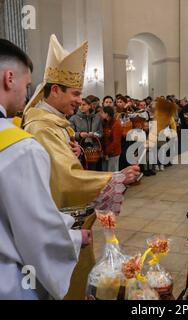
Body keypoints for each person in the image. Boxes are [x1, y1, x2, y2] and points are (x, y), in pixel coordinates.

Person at [0, 39, 89, 299]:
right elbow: (38, 234)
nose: (28, 94)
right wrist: (76, 238)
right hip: (1, 284)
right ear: (9, 78)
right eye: (27, 85)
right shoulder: (19, 148)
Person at [22, 35, 140, 299]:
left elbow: (63, 163)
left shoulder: (55, 124)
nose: (80, 100)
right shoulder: (42, 128)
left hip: (71, 228)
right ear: (55, 90)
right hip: (58, 228)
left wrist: (76, 153)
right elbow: (64, 179)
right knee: (67, 286)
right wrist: (116, 177)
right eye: (75, 93)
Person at [69, 97, 103, 170]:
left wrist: (94, 134)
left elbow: (100, 133)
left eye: (84, 104)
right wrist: (80, 134)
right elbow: (70, 134)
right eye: (80, 105)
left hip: (93, 150)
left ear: (89, 106)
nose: (81, 106)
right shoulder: (73, 118)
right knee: (81, 170)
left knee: (92, 171)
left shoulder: (97, 118)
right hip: (80, 148)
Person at [99, 106, 122, 172]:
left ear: (107, 114)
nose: (101, 114)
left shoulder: (116, 124)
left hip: (113, 153)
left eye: (102, 112)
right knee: (105, 173)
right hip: (105, 153)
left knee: (113, 173)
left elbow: (116, 142)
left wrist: (107, 151)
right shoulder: (105, 123)